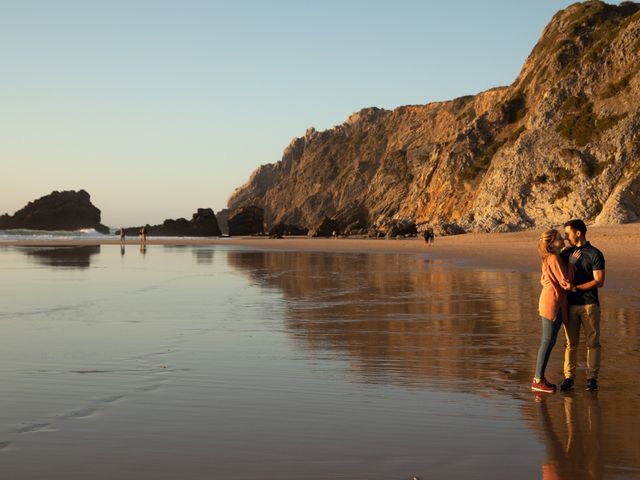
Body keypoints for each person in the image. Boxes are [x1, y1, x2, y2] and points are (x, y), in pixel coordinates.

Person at [532, 229, 580, 393]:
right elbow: (565, 282)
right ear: (552, 243)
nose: (563, 239)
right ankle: (537, 380)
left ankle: (540, 378)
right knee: (547, 342)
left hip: (551, 301)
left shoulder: (550, 257)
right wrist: (572, 264)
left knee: (549, 341)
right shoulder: (553, 258)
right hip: (552, 303)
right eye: (559, 238)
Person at [559, 219, 605, 392]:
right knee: (571, 343)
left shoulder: (595, 254)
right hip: (570, 305)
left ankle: (591, 379)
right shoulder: (566, 254)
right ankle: (568, 378)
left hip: (589, 305)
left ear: (578, 233)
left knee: (593, 343)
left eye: (567, 233)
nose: (565, 237)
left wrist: (576, 288)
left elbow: (599, 281)